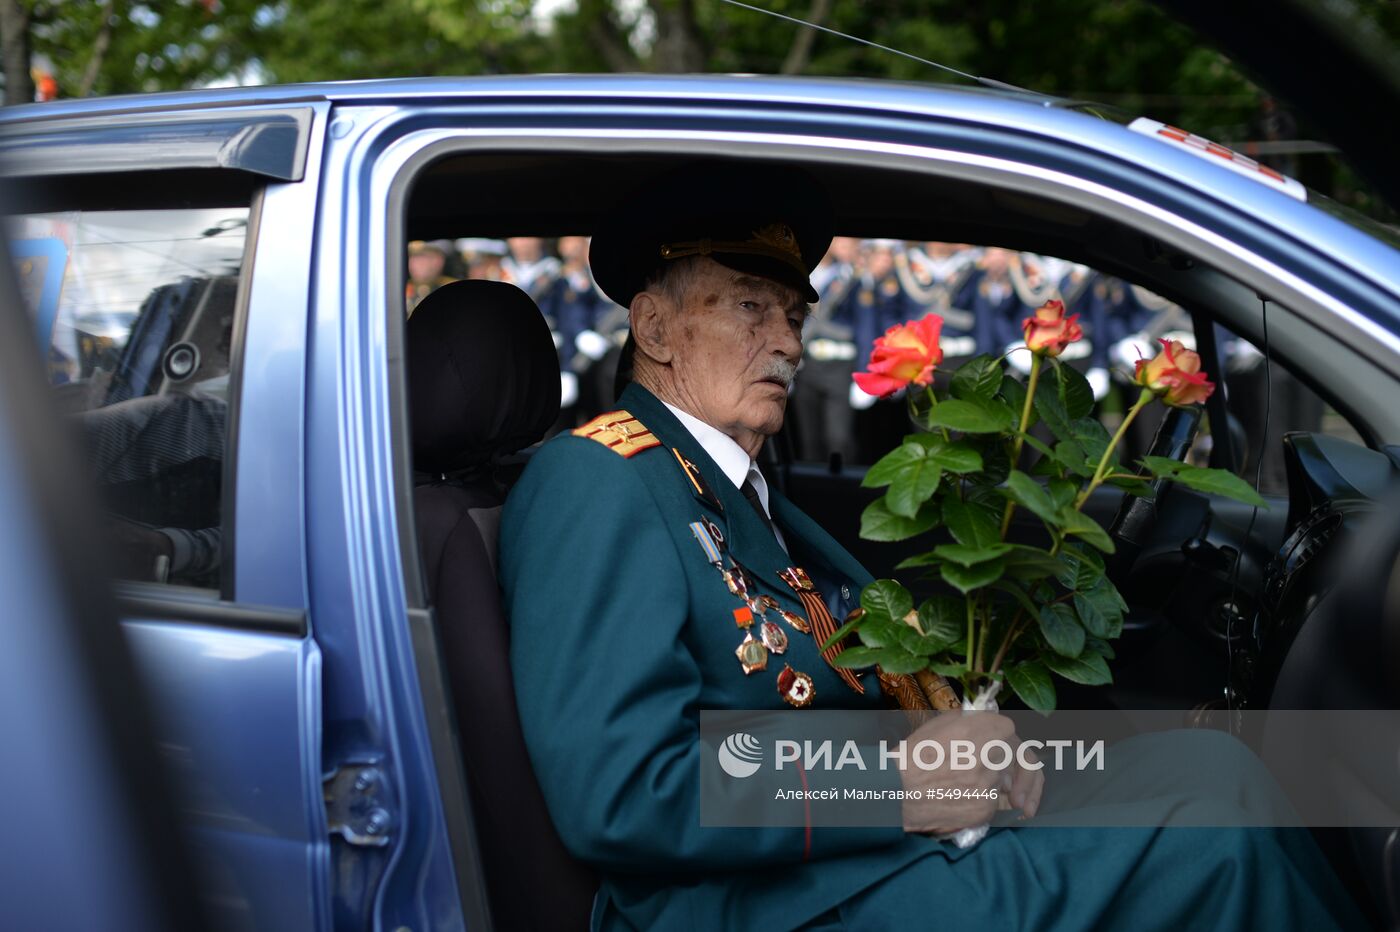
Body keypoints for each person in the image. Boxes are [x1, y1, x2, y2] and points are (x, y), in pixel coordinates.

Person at [496, 162, 1361, 931]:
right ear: (655, 330)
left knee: (1213, 762)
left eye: (794, 315)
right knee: (1209, 845)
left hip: (832, 856)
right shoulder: (600, 479)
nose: (791, 342)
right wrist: (895, 789)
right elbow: (625, 793)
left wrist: (959, 742)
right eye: (752, 309)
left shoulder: (728, 487)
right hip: (749, 899)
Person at [406, 239, 458, 314]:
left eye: (424, 257)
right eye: (413, 257)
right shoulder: (400, 290)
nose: (418, 264)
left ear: (439, 261)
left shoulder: (454, 290)